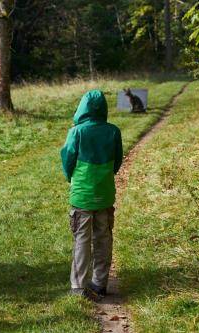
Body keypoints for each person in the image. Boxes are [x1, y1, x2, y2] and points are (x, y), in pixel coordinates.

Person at [60, 90, 123, 299]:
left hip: (82, 197)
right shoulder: (113, 131)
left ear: (82, 108)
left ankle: (79, 286)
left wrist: (71, 177)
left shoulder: (76, 132)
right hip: (105, 195)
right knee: (103, 239)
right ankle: (100, 282)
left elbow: (67, 159)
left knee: (82, 240)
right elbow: (117, 162)